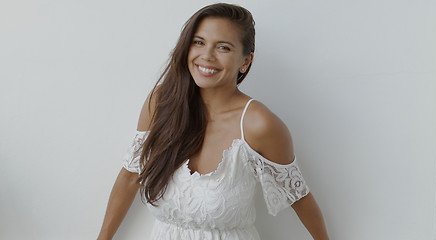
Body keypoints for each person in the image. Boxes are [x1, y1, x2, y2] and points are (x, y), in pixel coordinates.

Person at [97, 3, 329, 240]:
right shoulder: (161, 102)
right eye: (198, 42)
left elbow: (300, 199)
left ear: (245, 61)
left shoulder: (259, 125)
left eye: (223, 47)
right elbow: (129, 176)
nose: (206, 56)